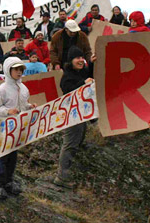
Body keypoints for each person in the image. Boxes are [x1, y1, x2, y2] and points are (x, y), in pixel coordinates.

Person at [0, 57, 36, 199]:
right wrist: (7, 111)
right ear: (8, 70)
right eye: (16, 69)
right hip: (4, 128)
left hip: (17, 129)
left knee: (13, 157)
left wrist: (29, 106)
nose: (19, 72)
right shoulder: (2, 89)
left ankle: (8, 182)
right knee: (3, 156)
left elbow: (23, 105)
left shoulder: (24, 89)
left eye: (21, 69)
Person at [53, 46, 95, 189]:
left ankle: (79, 147)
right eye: (77, 58)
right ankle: (61, 177)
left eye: (82, 57)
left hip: (80, 114)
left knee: (80, 134)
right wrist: (83, 84)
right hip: (71, 115)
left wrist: (93, 63)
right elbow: (70, 91)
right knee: (69, 143)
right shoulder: (67, 77)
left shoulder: (80, 71)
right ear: (71, 61)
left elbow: (88, 74)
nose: (81, 60)